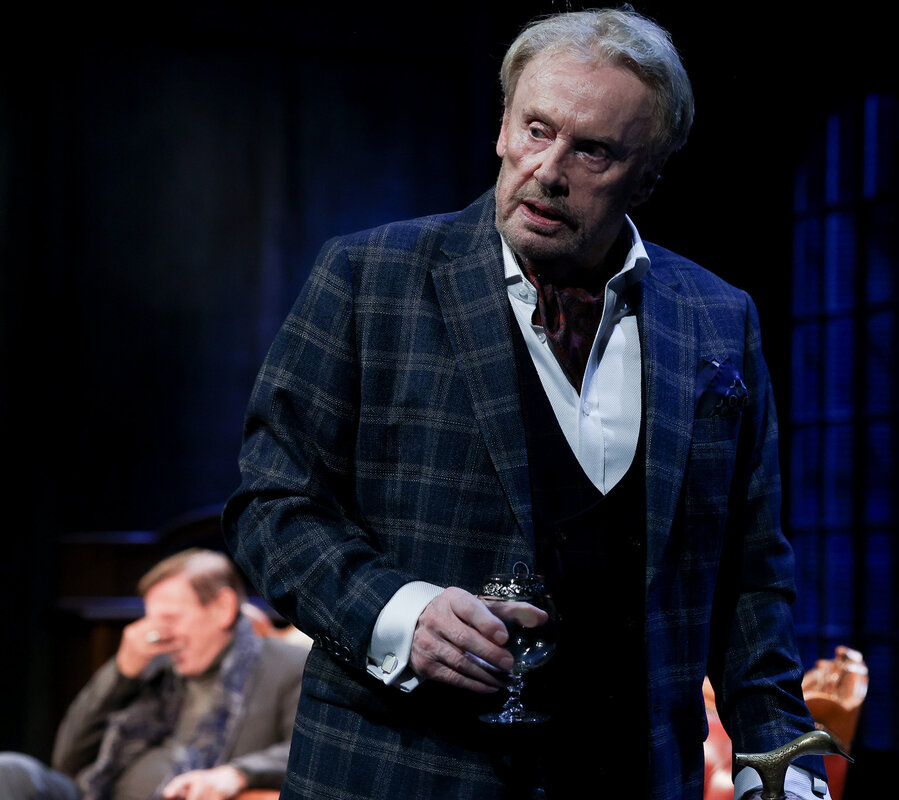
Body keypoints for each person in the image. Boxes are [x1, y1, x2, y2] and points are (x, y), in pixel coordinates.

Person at [223, 8, 828, 800]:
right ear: (503, 129)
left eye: (593, 150)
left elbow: (752, 574)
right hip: (401, 774)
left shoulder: (719, 317)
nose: (549, 169)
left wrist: (778, 760)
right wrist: (397, 614)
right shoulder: (368, 279)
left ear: (648, 176)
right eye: (537, 130)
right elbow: (271, 506)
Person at [0, 549, 308, 800]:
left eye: (170, 619)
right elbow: (68, 758)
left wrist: (239, 773)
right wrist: (121, 672)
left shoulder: (287, 665)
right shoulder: (152, 663)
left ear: (222, 608)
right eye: (151, 621)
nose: (157, 634)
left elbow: (307, 751)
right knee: (9, 770)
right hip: (98, 793)